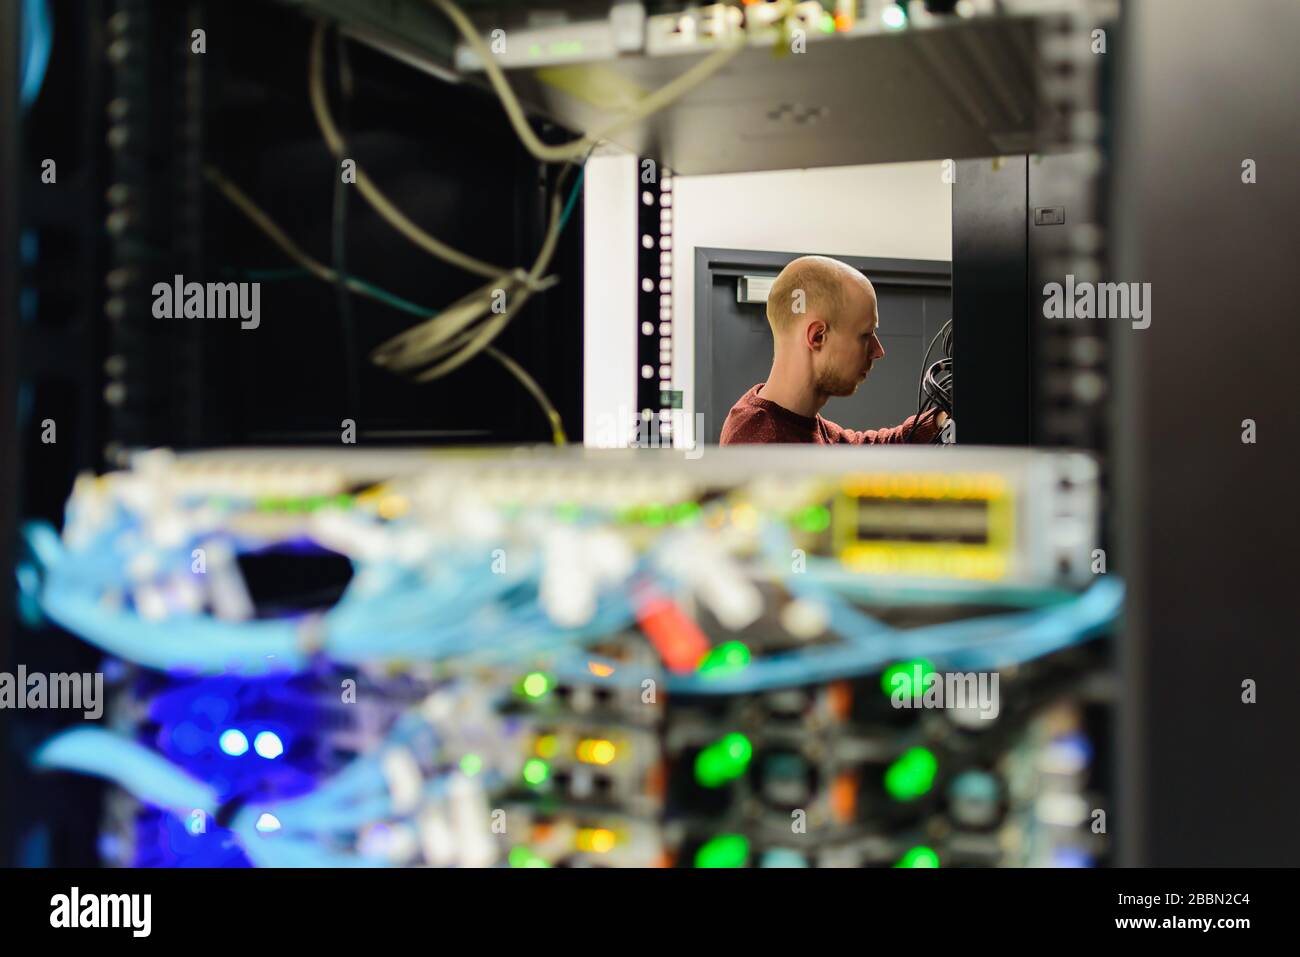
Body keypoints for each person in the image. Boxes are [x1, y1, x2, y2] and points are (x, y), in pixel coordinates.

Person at [720, 255, 945, 445]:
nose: (878, 351)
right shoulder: (760, 440)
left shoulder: (795, 422)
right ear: (817, 336)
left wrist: (939, 420)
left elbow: (865, 449)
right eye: (865, 335)